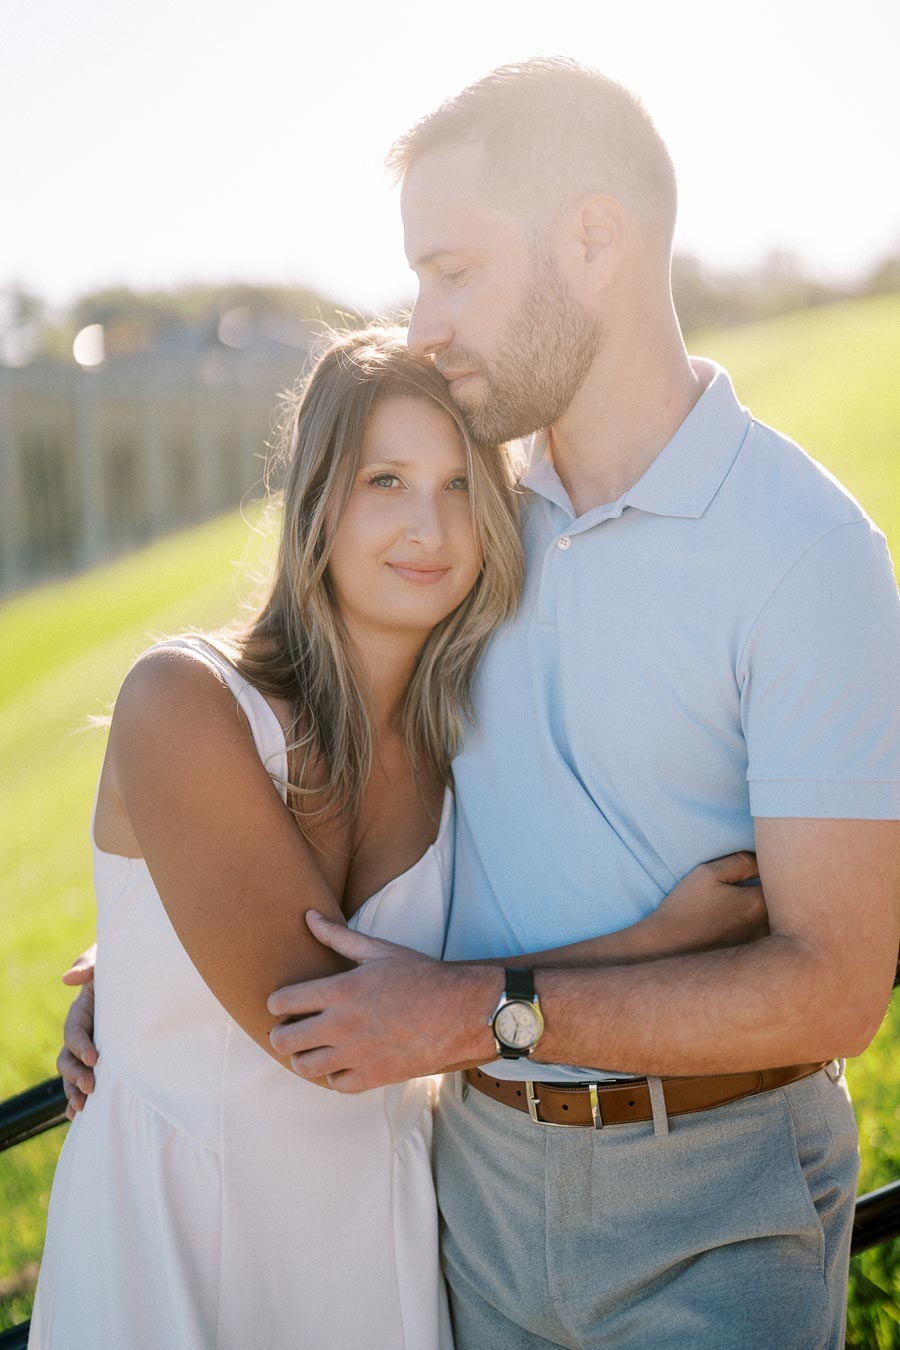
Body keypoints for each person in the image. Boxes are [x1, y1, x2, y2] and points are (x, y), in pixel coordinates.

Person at [254, 59, 900, 1349]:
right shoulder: (466, 518)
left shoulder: (807, 554)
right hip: (473, 1194)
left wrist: (478, 1007)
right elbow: (330, 743)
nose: (422, 320)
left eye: (454, 269)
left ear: (595, 237)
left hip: (714, 1204)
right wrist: (163, 937)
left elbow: (838, 986)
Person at [42, 322, 767, 1350]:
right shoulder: (185, 699)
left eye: (463, 484)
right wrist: (656, 941)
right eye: (386, 479)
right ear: (316, 502)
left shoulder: (467, 744)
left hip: (373, 1242)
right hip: (176, 1231)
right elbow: (323, 1028)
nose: (430, 525)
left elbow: (438, 978)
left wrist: (147, 958)